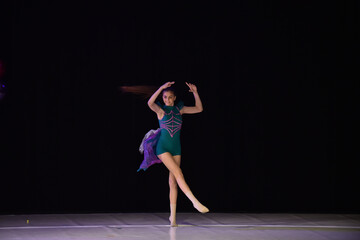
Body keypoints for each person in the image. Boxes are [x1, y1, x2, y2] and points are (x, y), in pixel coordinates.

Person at [139, 81, 209, 227]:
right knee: (178, 173)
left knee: (173, 182)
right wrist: (160, 88)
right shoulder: (161, 111)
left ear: (175, 98)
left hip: (176, 148)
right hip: (163, 148)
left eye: (170, 97)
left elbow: (199, 108)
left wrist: (195, 92)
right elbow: (150, 103)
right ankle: (194, 202)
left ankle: (173, 218)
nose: (167, 100)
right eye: (165, 97)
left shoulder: (179, 110)